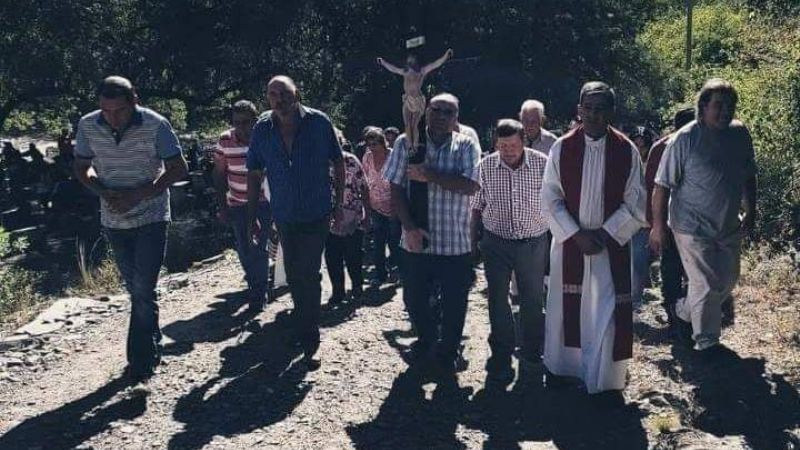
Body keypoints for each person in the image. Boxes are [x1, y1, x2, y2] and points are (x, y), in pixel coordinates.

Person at [73, 76, 188, 383]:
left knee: (143, 289)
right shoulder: (87, 125)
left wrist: (140, 193)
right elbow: (81, 166)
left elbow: (179, 167)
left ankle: (140, 361)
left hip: (151, 216)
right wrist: (100, 189)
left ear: (134, 100)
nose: (113, 118)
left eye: (119, 111)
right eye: (106, 111)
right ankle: (151, 342)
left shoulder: (155, 124)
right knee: (136, 289)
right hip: (114, 220)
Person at [542, 81, 646, 393]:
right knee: (565, 308)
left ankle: (604, 382)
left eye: (600, 109)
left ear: (611, 111)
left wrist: (604, 233)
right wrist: (576, 235)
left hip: (608, 248)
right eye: (587, 108)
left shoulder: (626, 151)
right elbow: (550, 197)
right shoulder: (562, 148)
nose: (593, 115)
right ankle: (565, 369)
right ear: (579, 110)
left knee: (607, 312)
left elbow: (636, 202)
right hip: (570, 246)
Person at [650, 78, 757, 352]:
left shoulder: (740, 134)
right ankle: (706, 343)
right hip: (691, 226)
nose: (725, 111)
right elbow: (662, 186)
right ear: (703, 107)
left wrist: (751, 210)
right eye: (718, 105)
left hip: (728, 224)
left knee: (727, 281)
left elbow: (748, 175)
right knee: (706, 283)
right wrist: (658, 227)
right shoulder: (684, 139)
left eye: (730, 105)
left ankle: (682, 310)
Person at [246, 75, 344, 368]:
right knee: (293, 272)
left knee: (309, 272)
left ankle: (310, 337)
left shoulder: (319, 122)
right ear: (268, 98)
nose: (280, 99)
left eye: (284, 93)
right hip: (284, 214)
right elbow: (254, 172)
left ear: (296, 93)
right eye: (273, 94)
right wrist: (252, 215)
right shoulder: (262, 128)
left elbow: (338, 161)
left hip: (316, 211)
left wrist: (339, 204)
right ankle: (303, 323)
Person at [382, 92, 480, 373]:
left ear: (456, 117)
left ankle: (448, 350)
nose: (441, 116)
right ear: (426, 111)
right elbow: (396, 188)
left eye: (449, 112)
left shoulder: (466, 145)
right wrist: (409, 227)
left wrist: (428, 174)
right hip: (416, 239)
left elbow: (470, 185)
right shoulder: (407, 143)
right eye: (436, 110)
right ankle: (426, 341)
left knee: (454, 302)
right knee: (414, 299)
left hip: (454, 242)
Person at [470, 119, 549, 387]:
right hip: (496, 242)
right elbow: (476, 206)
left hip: (533, 241)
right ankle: (501, 355)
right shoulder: (485, 166)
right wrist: (473, 241)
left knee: (532, 299)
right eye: (502, 146)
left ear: (523, 142)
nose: (508, 151)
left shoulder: (542, 164)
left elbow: (554, 200)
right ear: (495, 144)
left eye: (513, 146)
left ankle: (531, 353)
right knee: (497, 299)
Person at [212, 99, 271, 310]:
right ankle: (254, 282)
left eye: (246, 122)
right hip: (237, 202)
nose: (241, 127)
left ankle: (259, 293)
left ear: (254, 120)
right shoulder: (225, 140)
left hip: (263, 202)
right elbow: (219, 173)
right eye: (236, 122)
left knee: (259, 246)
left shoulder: (265, 139)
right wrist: (222, 206)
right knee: (244, 247)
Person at [645, 107, 694, 329]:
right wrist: (655, 225)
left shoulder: (705, 145)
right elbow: (652, 188)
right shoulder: (662, 148)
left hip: (689, 221)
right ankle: (675, 315)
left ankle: (685, 313)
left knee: (681, 269)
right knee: (673, 267)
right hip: (671, 220)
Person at [377, 49, 454, 150]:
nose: (410, 60)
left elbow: (435, 64)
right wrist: (383, 62)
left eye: (412, 58)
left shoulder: (421, 71)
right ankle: (410, 146)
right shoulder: (405, 72)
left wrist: (446, 56)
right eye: (409, 58)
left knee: (414, 124)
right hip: (407, 99)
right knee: (407, 124)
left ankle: (415, 146)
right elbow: (393, 68)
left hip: (417, 99)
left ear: (416, 60)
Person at [325, 130, 369, 303]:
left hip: (353, 215)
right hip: (328, 218)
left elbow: (364, 187)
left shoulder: (351, 160)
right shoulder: (318, 162)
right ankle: (338, 291)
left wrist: (367, 215)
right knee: (332, 256)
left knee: (353, 255)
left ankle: (357, 285)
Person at [362, 126, 400, 285]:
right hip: (375, 205)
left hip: (394, 205)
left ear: (382, 142)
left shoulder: (393, 156)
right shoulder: (367, 157)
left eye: (375, 144)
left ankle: (396, 272)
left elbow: (400, 181)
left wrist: (397, 207)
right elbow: (364, 180)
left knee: (394, 242)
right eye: (369, 144)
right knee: (378, 243)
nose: (372, 147)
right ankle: (380, 275)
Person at [628, 125, 658, 305]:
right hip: (626, 218)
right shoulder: (625, 163)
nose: (639, 150)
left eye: (643, 146)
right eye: (636, 145)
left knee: (639, 260)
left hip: (645, 220)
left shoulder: (654, 165)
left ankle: (635, 299)